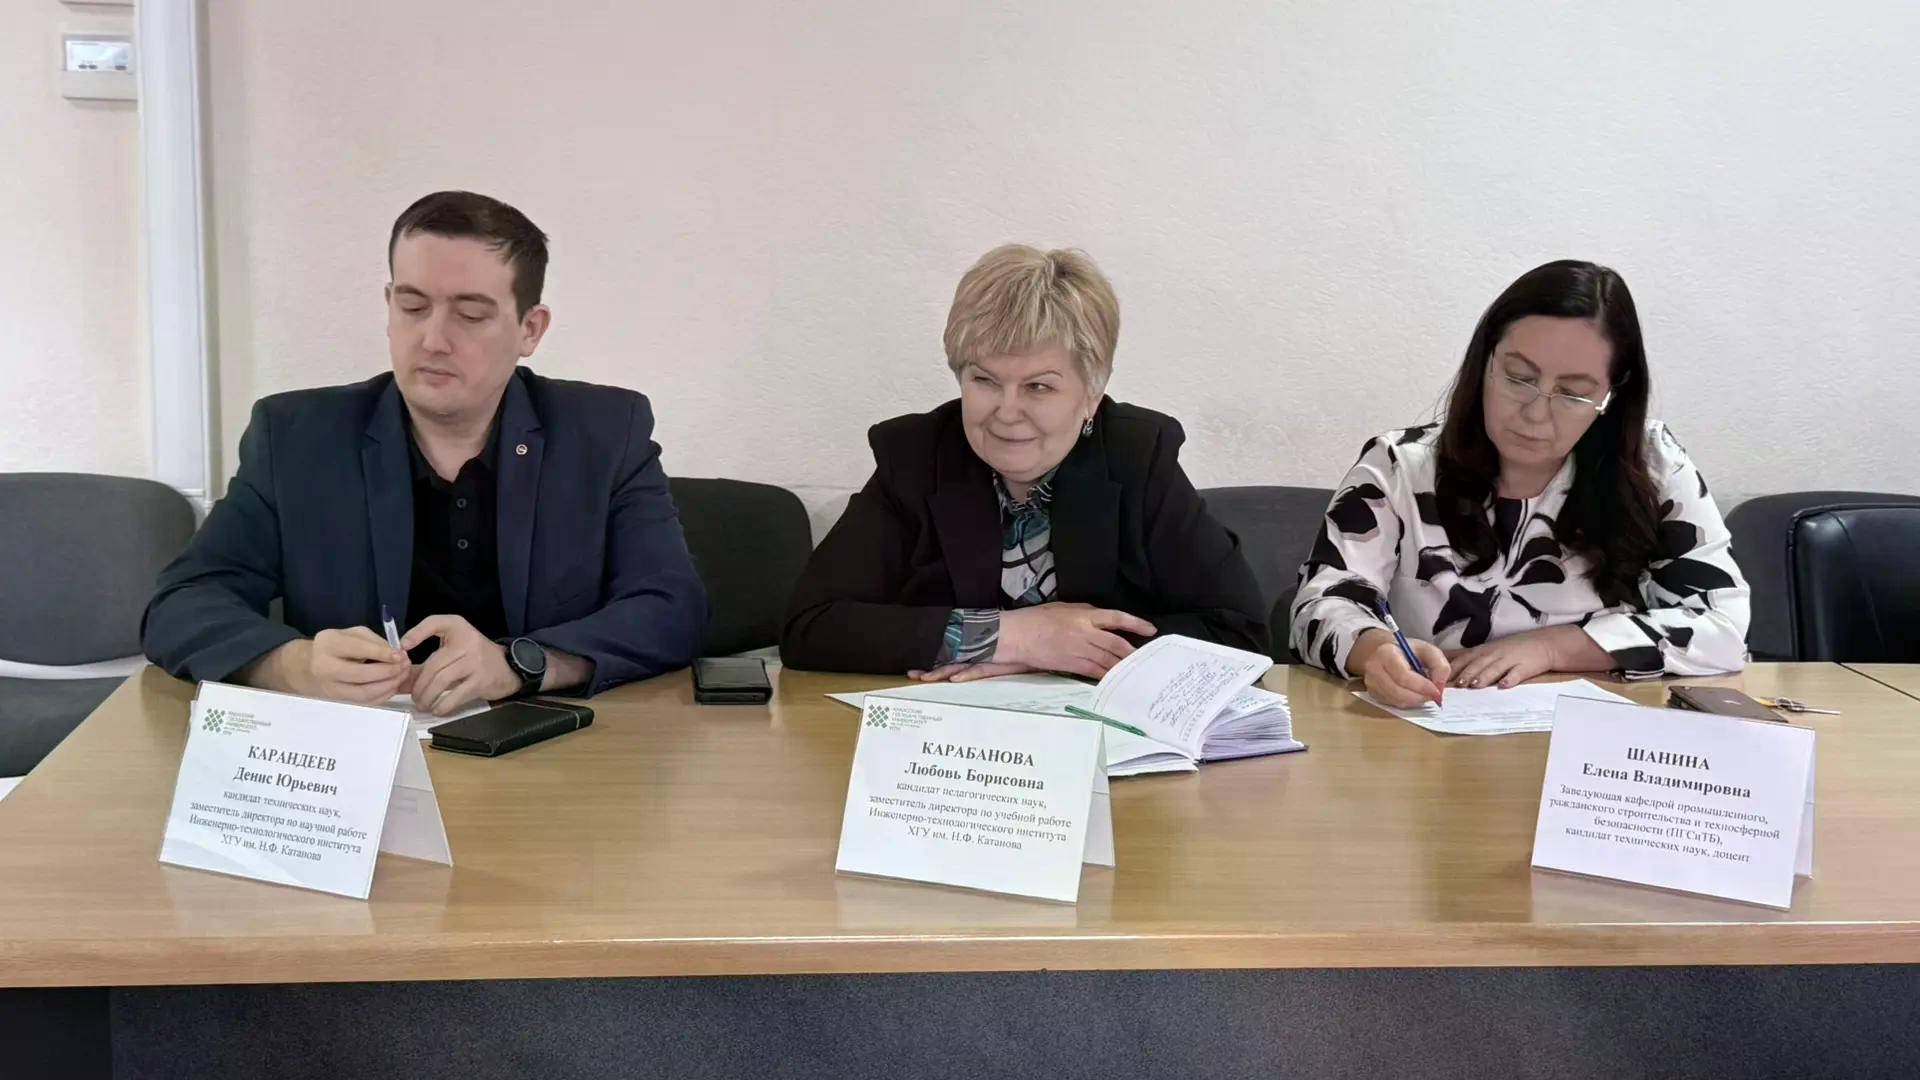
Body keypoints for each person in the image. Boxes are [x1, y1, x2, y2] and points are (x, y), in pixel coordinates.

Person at [144, 190, 706, 712]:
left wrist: (521, 664)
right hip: (356, 757)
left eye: (471, 315)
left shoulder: (604, 432)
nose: (434, 340)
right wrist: (293, 665)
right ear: (389, 304)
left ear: (530, 329)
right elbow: (181, 604)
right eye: (413, 307)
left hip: (544, 747)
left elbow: (672, 608)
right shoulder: (296, 437)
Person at [781, 243, 1267, 679]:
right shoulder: (916, 455)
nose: (1006, 412)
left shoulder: (1136, 455)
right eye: (985, 381)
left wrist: (1058, 651)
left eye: (1038, 386)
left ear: (1092, 393)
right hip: (950, 738)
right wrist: (1010, 636)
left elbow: (1240, 635)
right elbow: (811, 627)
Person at [1290, 259, 1749, 708]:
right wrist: (1374, 651)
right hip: (1427, 729)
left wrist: (1554, 648)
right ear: (1485, 362)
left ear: (1612, 394)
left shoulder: (1652, 466)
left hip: (1594, 740)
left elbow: (1723, 627)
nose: (1535, 413)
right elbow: (1320, 606)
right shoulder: (1400, 467)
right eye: (1519, 378)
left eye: (1573, 393)